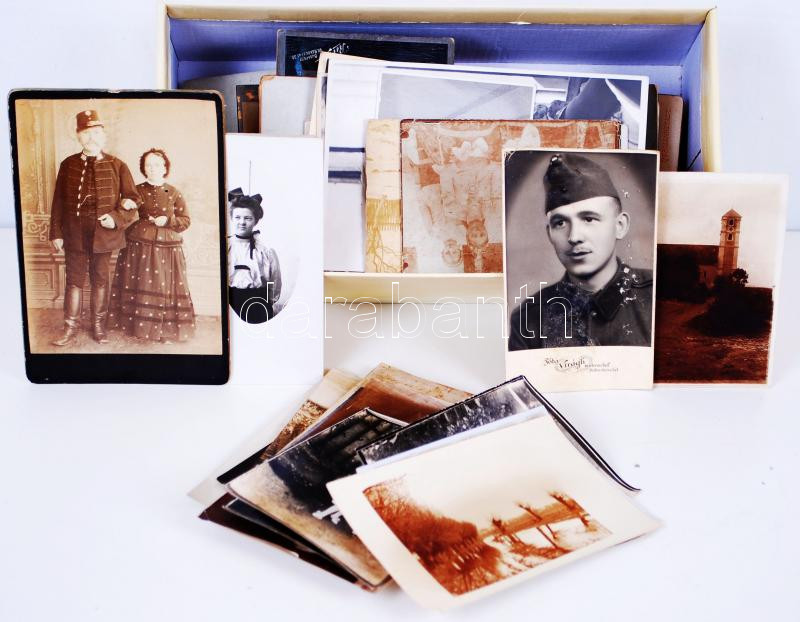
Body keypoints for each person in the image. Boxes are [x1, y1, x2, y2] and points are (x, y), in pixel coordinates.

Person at [509, 153, 652, 350]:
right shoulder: (528, 318)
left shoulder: (654, 296)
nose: (574, 237)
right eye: (560, 223)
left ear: (620, 226)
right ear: (549, 233)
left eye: (589, 219)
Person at [48, 110, 141, 346]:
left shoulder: (118, 165)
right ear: (78, 135)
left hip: (104, 234)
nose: (92, 137)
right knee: (74, 280)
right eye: (86, 133)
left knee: (100, 280)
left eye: (96, 132)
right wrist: (56, 233)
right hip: (74, 234)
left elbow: (133, 200)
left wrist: (116, 218)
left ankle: (99, 327)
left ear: (104, 136)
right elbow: (58, 202)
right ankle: (70, 327)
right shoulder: (68, 164)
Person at [108, 148, 196, 342]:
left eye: (157, 164)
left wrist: (168, 220)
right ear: (143, 168)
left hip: (168, 246)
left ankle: (165, 328)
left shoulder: (174, 192)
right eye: (148, 165)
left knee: (165, 285)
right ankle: (137, 326)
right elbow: (125, 213)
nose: (152, 168)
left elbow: (186, 221)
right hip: (140, 244)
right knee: (141, 281)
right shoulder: (136, 191)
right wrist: (124, 205)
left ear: (164, 168)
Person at [227, 188, 282, 324]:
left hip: (258, 304)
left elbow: (274, 280)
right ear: (232, 218)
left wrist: (268, 302)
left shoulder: (265, 250)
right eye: (238, 217)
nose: (242, 222)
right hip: (231, 302)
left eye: (248, 218)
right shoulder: (226, 247)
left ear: (256, 221)